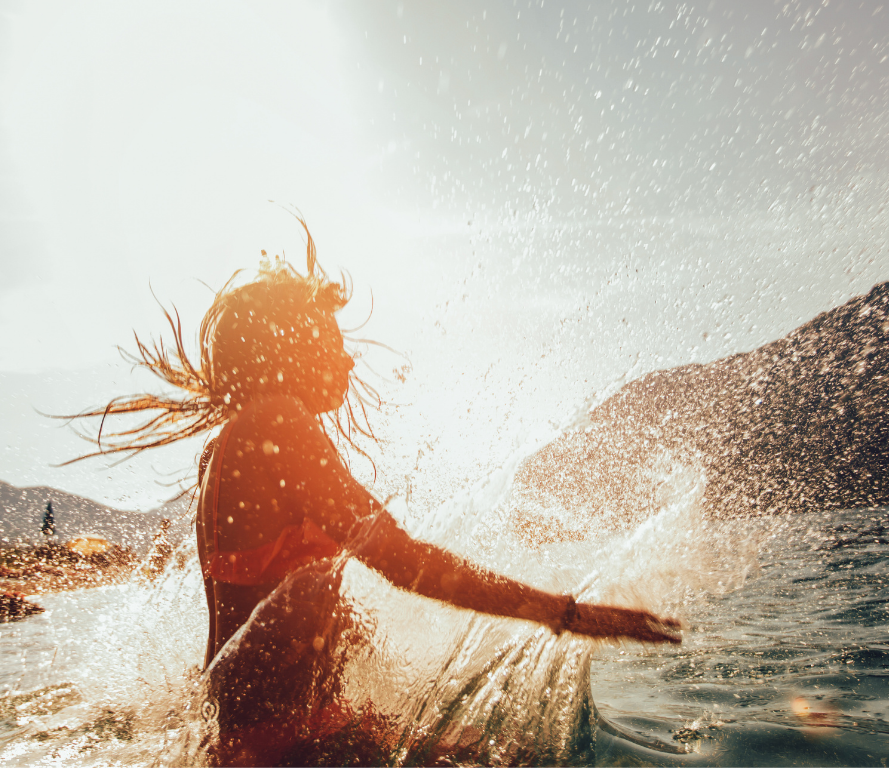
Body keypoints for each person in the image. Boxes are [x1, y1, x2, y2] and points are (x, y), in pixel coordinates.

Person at [67, 224, 682, 764]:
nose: (348, 359)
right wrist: (565, 614)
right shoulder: (280, 423)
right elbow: (406, 561)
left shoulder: (231, 443)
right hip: (288, 749)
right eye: (331, 338)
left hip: (273, 741)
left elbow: (269, 609)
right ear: (291, 345)